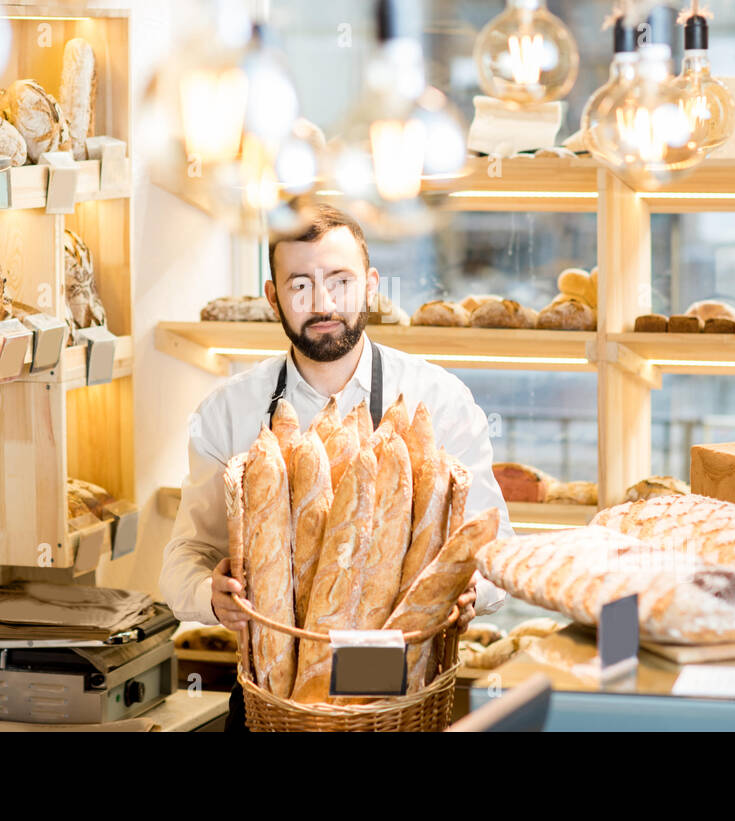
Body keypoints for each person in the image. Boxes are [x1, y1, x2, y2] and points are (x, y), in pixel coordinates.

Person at [159, 204, 513, 730]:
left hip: (399, 700)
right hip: (273, 701)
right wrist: (211, 596)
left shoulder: (437, 401)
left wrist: (469, 594)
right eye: (299, 285)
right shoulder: (230, 412)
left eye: (340, 281)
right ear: (272, 295)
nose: (323, 303)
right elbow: (184, 556)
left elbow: (497, 547)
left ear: (370, 286)